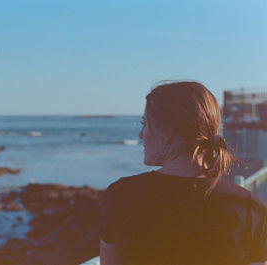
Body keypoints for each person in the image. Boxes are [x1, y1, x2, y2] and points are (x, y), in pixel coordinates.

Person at [99, 81, 267, 265]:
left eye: (145, 124)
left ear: (167, 133)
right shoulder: (249, 208)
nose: (141, 134)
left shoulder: (121, 195)